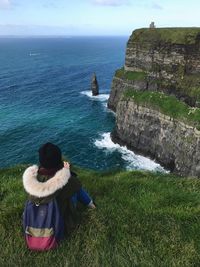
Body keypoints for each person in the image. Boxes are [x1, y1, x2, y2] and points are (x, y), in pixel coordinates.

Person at [23, 142, 95, 237]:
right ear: (58, 159)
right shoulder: (66, 180)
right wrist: (67, 171)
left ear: (41, 161)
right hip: (58, 225)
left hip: (34, 223)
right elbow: (77, 186)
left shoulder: (33, 179)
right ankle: (91, 205)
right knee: (76, 189)